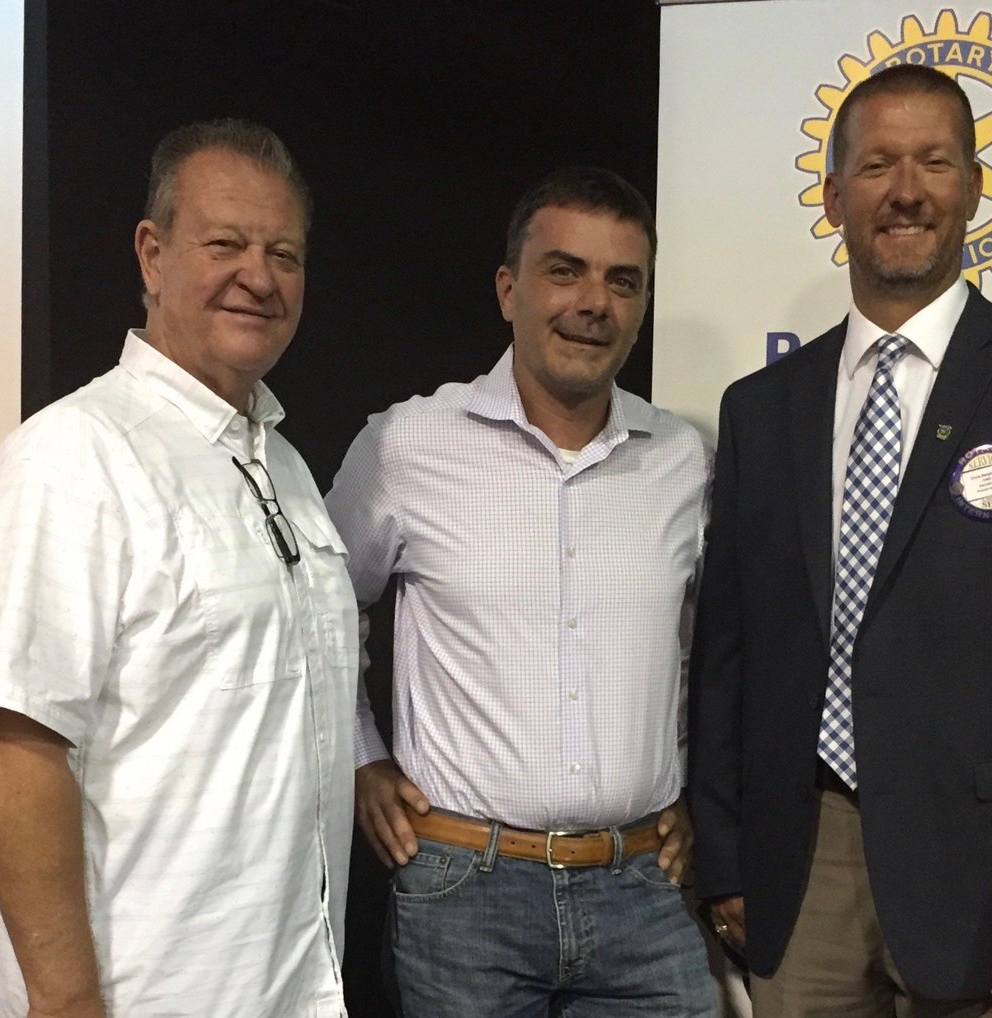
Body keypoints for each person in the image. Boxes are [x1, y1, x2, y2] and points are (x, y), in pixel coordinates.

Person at [689, 64, 992, 1018]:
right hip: (802, 867)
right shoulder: (761, 407)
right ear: (832, 196)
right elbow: (729, 655)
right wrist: (728, 855)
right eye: (876, 165)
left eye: (934, 161)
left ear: (975, 187)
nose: (906, 190)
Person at [0, 119, 358, 1018]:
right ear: (151, 253)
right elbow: (12, 747)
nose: (258, 276)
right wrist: (67, 1006)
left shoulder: (285, 468)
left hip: (296, 987)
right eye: (225, 244)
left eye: (284, 253)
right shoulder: (73, 457)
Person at [325, 165, 718, 1017]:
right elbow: (319, 612)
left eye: (623, 281)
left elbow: (707, 649)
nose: (594, 303)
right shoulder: (406, 445)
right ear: (509, 289)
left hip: (644, 889)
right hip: (465, 894)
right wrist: (358, 756)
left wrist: (693, 787)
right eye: (564, 270)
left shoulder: (683, 460)